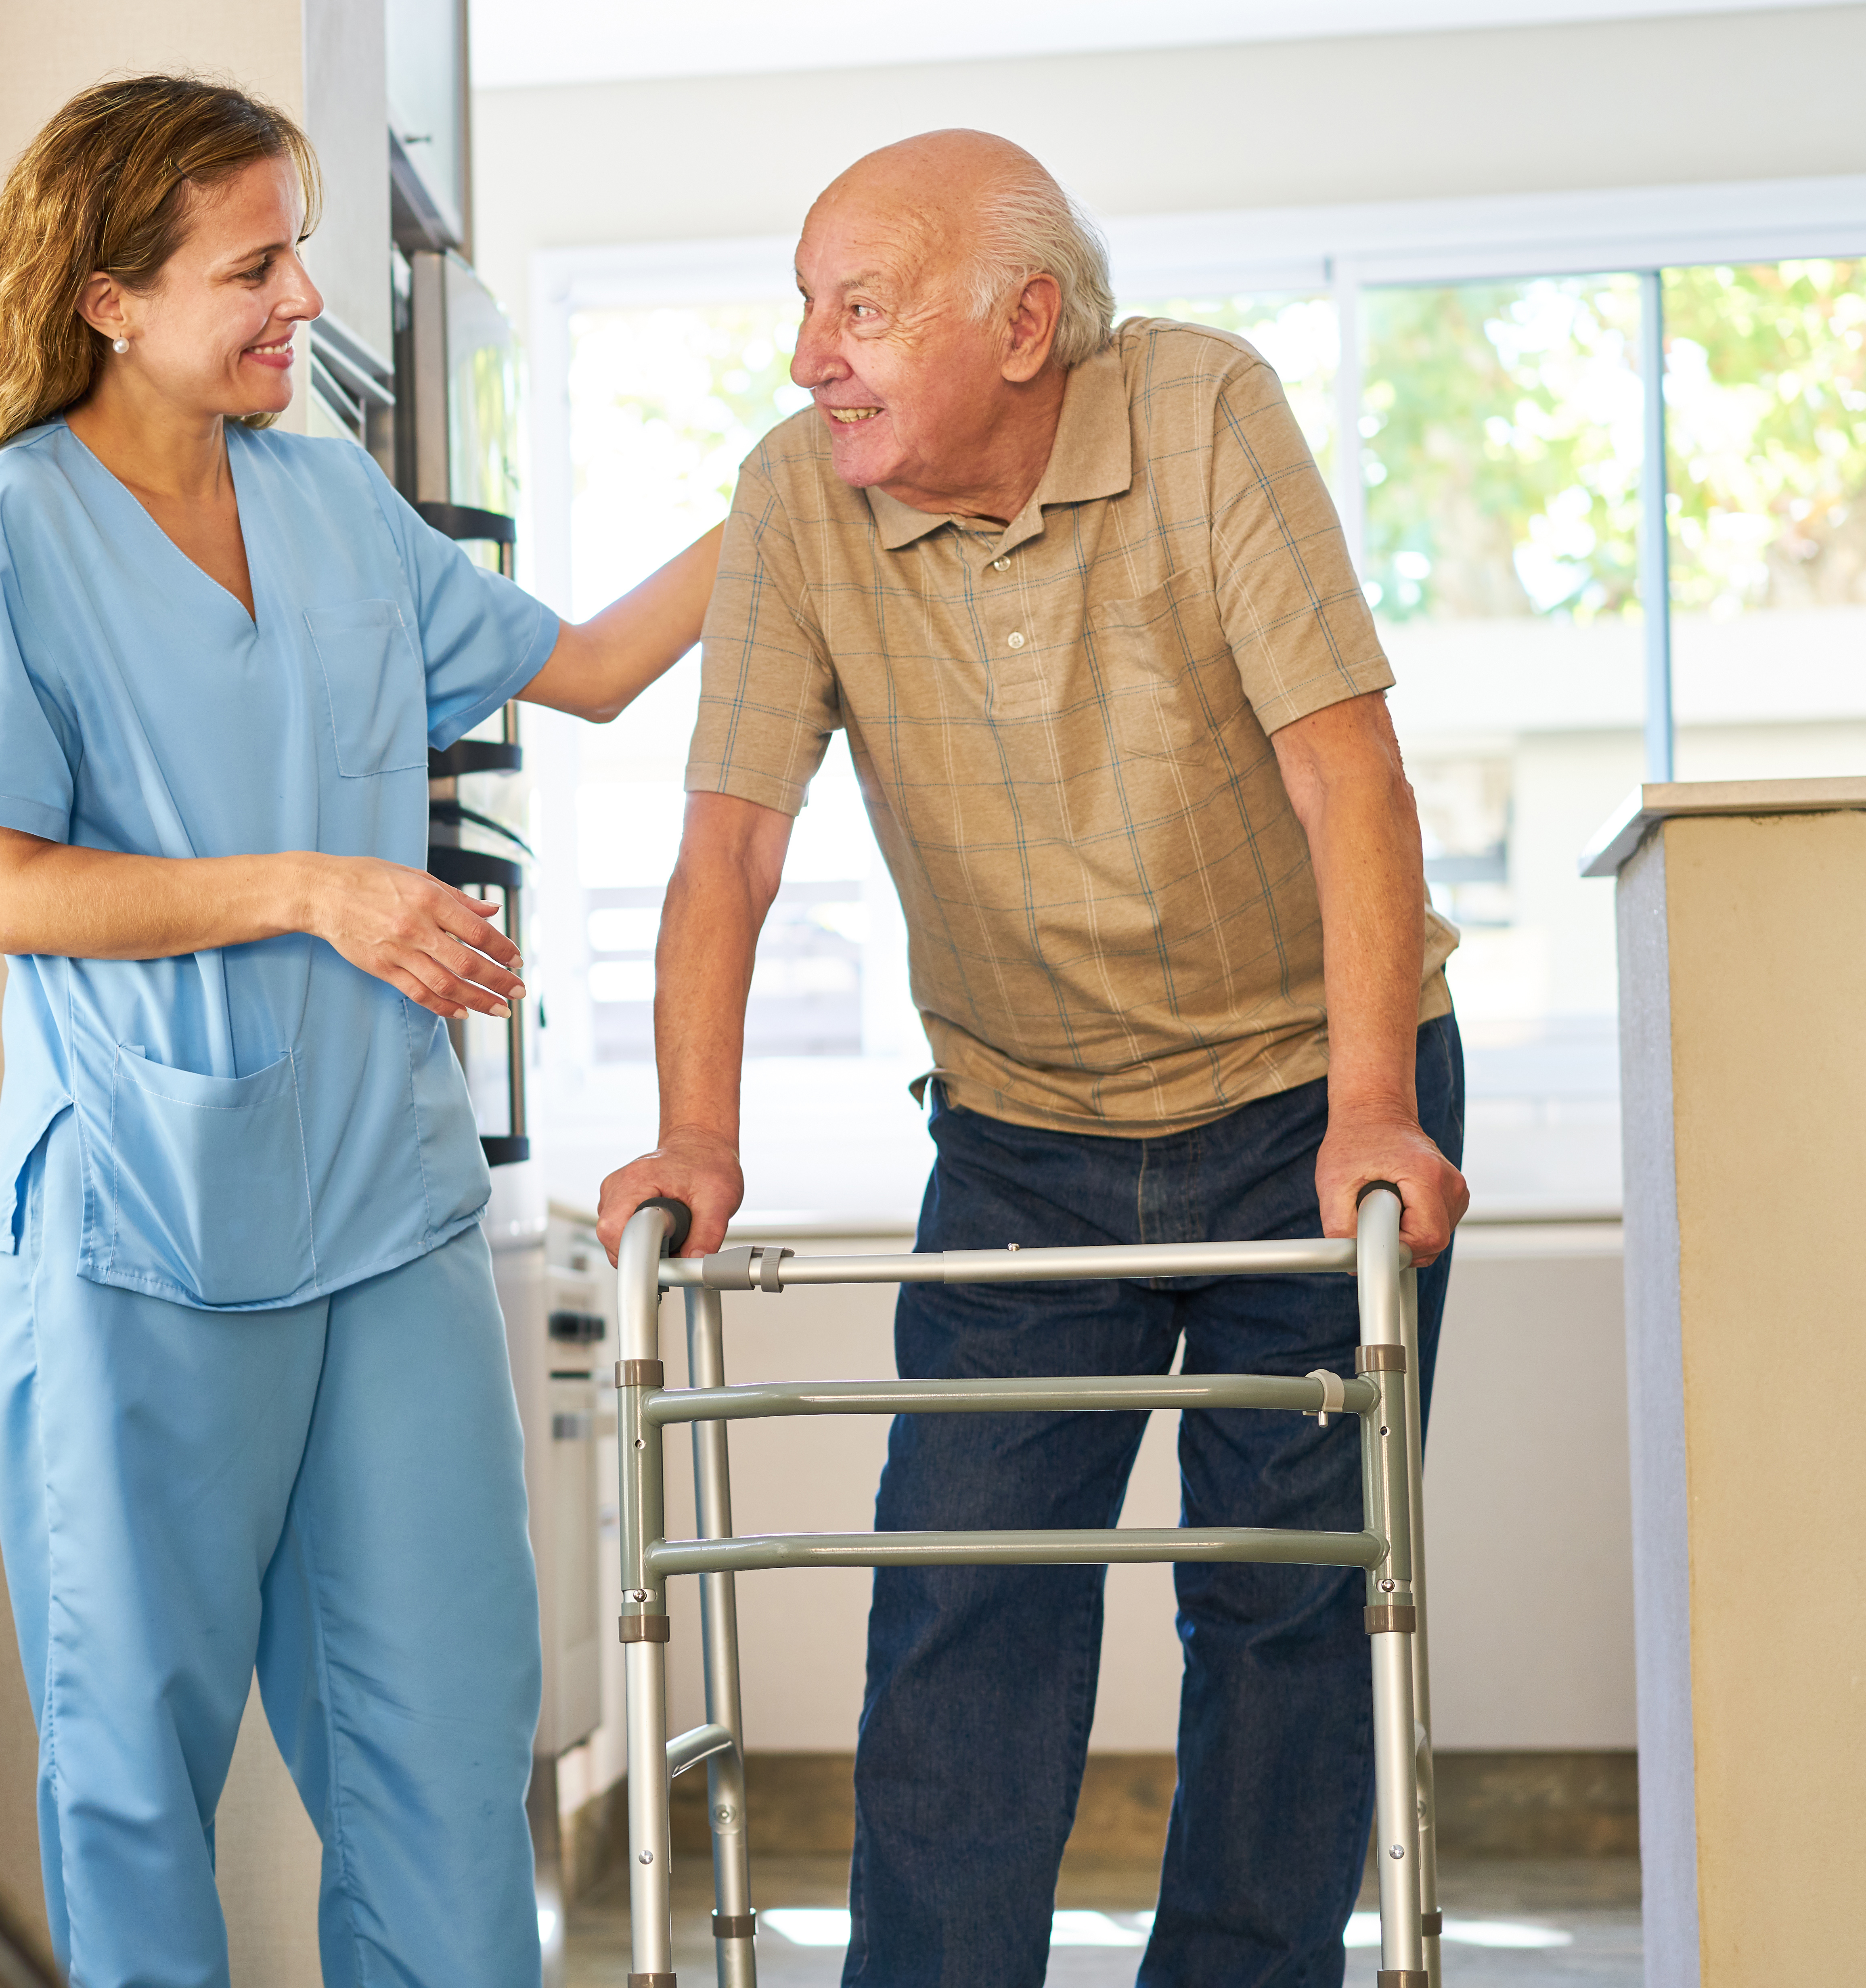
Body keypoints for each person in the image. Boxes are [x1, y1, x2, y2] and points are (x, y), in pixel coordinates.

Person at [597, 130, 1472, 1988]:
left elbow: (1347, 771)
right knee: (968, 1597)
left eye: (859, 307)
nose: (809, 355)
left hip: (1308, 1100)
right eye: (805, 309)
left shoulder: (1206, 411)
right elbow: (732, 840)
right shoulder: (795, 496)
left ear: (1026, 322)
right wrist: (693, 1131)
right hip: (1021, 1129)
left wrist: (1378, 1099)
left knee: (1282, 1606)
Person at [0, 75, 715, 1988]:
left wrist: (794, 488)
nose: (301, 299)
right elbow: (9, 885)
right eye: (253, 264)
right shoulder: (9, 526)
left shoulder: (333, 496)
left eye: (301, 250)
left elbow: (587, 666)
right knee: (133, 1771)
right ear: (107, 299)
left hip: (384, 1206)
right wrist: (311, 887)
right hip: (139, 1226)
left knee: (440, 1743)